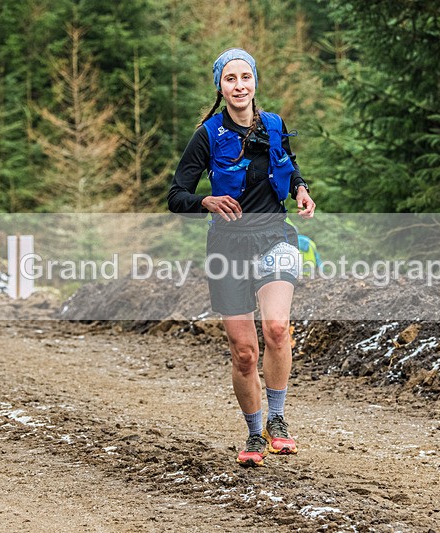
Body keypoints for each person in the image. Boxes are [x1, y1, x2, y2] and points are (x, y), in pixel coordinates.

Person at [168, 48, 315, 467]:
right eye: (230, 79)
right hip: (227, 248)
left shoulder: (274, 125)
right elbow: (175, 196)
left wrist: (301, 190)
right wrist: (206, 200)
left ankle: (279, 420)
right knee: (245, 352)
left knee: (276, 328)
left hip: (274, 237)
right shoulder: (207, 134)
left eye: (245, 78)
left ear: (255, 82)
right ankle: (254, 433)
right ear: (220, 86)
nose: (239, 86)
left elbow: (291, 167)